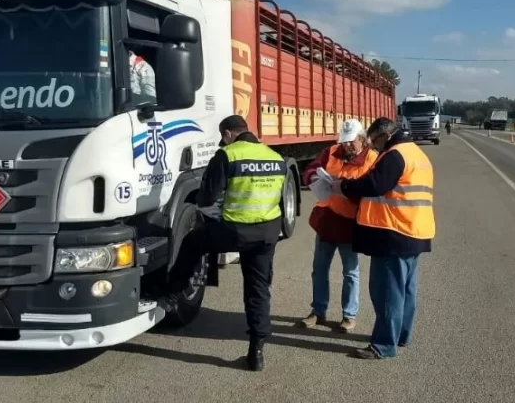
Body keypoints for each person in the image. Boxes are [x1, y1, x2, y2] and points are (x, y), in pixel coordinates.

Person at [168, 115, 285, 371]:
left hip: (235, 230)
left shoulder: (228, 155)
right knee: (258, 288)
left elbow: (207, 197)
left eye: (223, 136)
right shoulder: (275, 157)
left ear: (229, 134)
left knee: (193, 243)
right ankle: (256, 351)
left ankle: (173, 293)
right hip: (267, 231)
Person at [332, 117, 435, 360]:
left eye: (375, 140)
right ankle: (400, 336)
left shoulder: (395, 155)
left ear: (386, 135)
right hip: (414, 230)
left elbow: (376, 184)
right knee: (406, 291)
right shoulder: (417, 154)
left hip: (393, 233)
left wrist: (345, 187)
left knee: (387, 292)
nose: (373, 146)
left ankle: (383, 345)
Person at [298, 119, 377, 333]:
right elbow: (311, 170)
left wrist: (346, 188)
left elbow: (373, 188)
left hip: (351, 225)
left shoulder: (372, 159)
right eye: (344, 142)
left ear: (362, 138)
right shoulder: (332, 151)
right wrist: (314, 176)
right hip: (327, 221)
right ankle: (318, 311)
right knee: (319, 269)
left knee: (350, 273)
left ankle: (349, 316)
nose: (347, 146)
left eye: (351, 142)